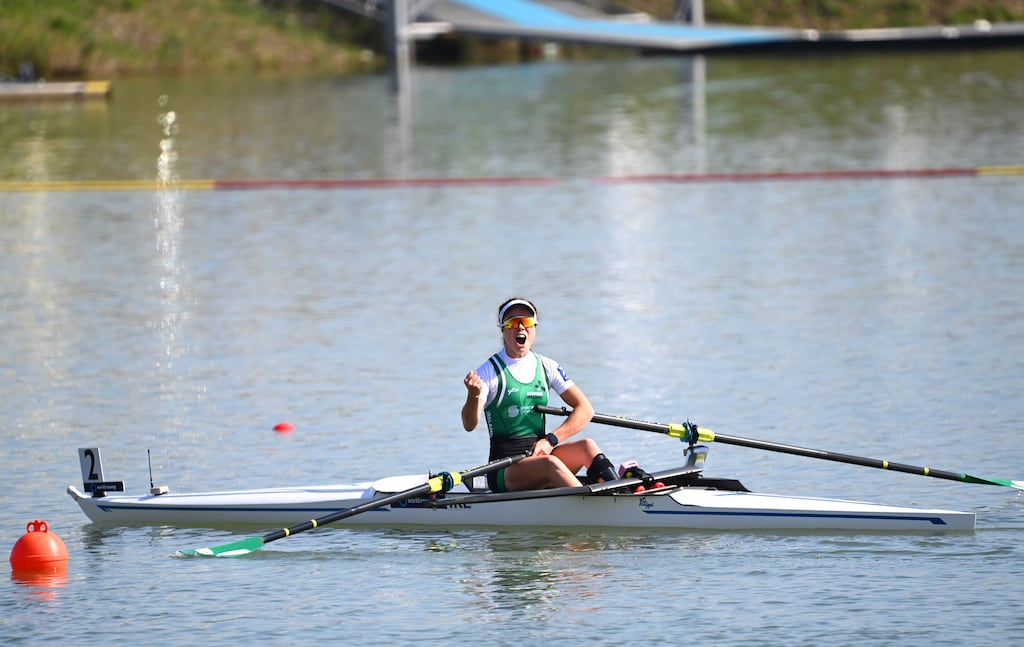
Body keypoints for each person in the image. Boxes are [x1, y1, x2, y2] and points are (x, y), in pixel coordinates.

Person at [461, 297, 621, 492]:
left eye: (526, 322)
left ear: (534, 328)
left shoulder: (547, 366)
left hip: (541, 453)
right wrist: (473, 396)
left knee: (587, 446)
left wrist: (551, 440)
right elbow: (470, 425)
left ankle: (620, 493)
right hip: (505, 469)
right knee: (550, 464)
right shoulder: (488, 372)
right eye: (512, 322)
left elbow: (585, 410)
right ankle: (597, 507)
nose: (520, 328)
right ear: (503, 329)